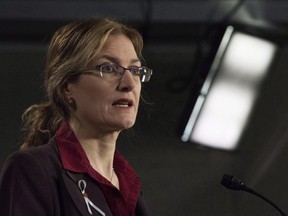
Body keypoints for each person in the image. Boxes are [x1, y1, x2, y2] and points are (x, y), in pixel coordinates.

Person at [0, 17, 152, 216]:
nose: (129, 83)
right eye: (108, 68)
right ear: (66, 87)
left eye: (134, 70)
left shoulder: (128, 184)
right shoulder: (32, 170)